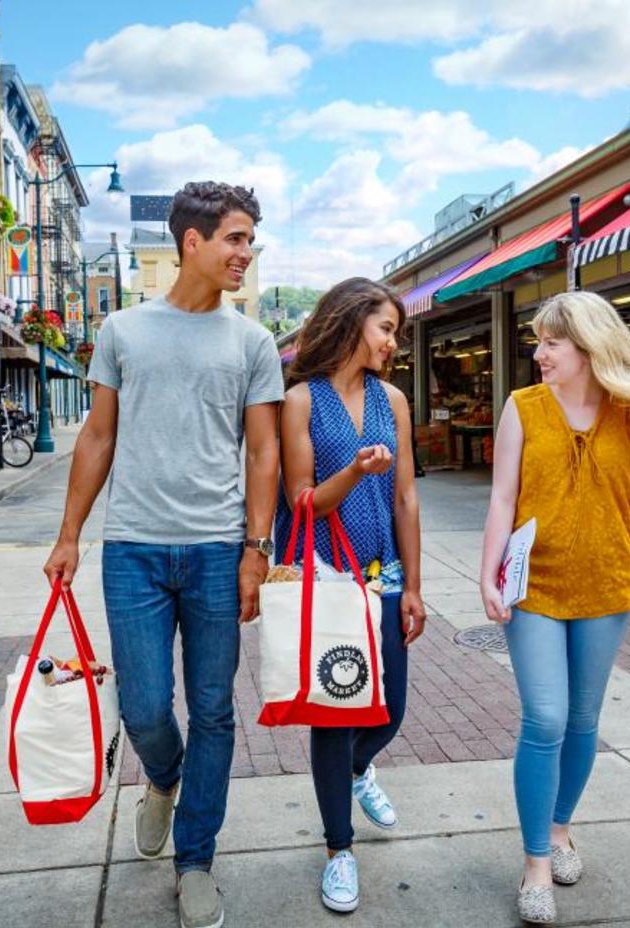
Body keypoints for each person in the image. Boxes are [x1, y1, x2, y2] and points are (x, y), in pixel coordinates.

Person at [43, 182, 283, 928]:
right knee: (144, 707)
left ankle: (196, 858)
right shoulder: (122, 329)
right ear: (192, 241)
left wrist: (254, 548)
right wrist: (68, 534)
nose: (247, 252)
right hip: (135, 550)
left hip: (216, 551)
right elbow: (97, 437)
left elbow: (264, 452)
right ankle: (162, 777)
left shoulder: (253, 342)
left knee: (213, 711)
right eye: (236, 238)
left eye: (251, 240)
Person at [478, 291, 630, 924]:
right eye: (540, 341)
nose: (539, 352)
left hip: (608, 585)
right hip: (537, 588)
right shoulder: (522, 407)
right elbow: (503, 499)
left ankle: (560, 830)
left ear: (587, 346)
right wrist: (488, 572)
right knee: (546, 718)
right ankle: (533, 864)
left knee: (583, 719)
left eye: (552, 342)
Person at [273, 278, 426, 914]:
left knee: (387, 710)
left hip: (383, 575)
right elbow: (300, 500)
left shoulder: (393, 400)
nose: (394, 343)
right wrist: (355, 470)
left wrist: (415, 584)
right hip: (326, 578)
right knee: (334, 717)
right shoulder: (299, 401)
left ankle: (359, 772)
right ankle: (340, 850)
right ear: (352, 320)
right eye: (386, 328)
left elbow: (406, 497)